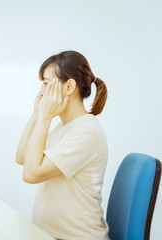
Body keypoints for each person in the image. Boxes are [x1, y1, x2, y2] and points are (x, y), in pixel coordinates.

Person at [15, 50, 109, 239]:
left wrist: (45, 116)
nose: (41, 92)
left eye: (46, 84)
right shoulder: (63, 127)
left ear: (69, 87)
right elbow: (23, 158)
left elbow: (31, 174)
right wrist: (37, 113)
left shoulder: (86, 131)